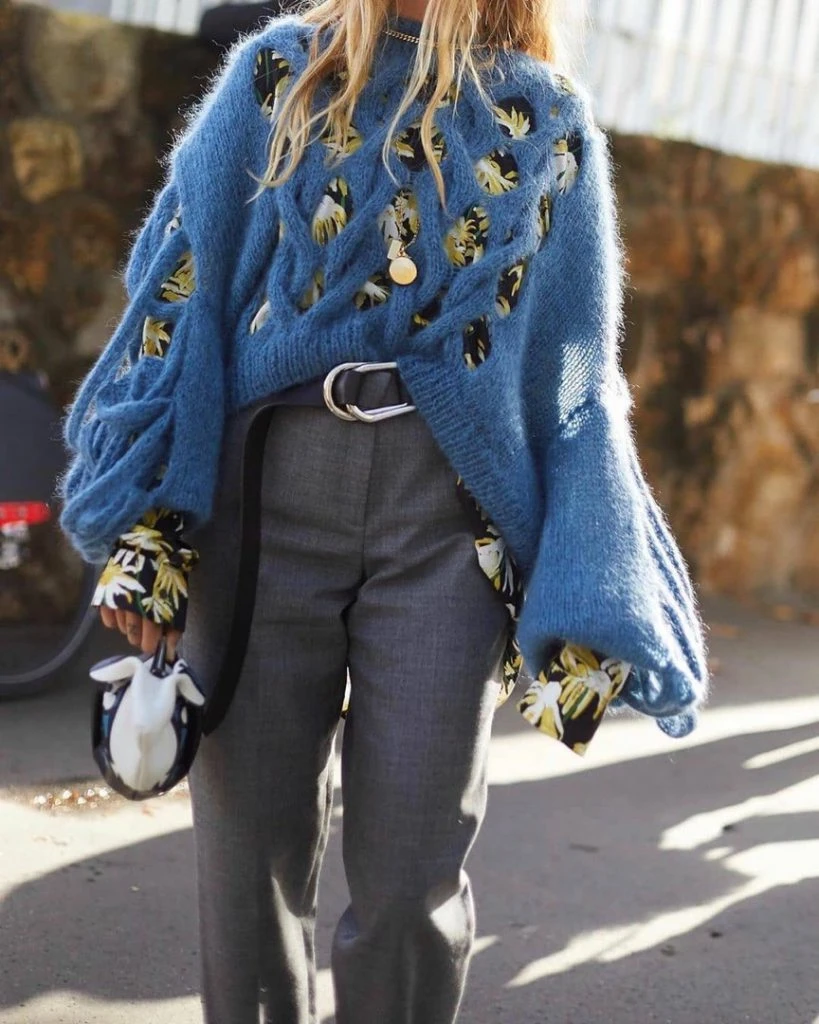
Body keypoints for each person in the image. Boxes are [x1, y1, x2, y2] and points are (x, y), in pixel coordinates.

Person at [58, 0, 709, 1020]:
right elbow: (182, 298)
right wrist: (152, 533)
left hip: (447, 524)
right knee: (249, 865)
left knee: (414, 877)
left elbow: (576, 374)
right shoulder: (278, 74)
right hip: (263, 499)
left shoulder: (547, 119)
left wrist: (586, 582)